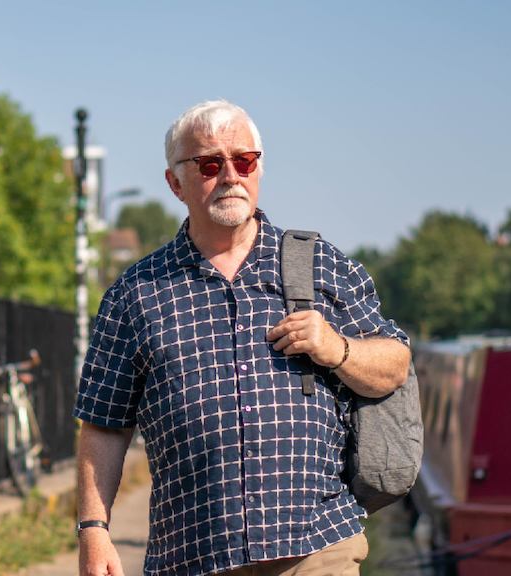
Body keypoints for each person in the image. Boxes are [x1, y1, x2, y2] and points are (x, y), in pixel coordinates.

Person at [74, 100, 410, 576]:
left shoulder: (321, 265)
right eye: (210, 164)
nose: (230, 175)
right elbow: (104, 424)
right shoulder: (136, 294)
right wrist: (93, 529)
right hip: (193, 555)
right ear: (175, 183)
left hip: (317, 547)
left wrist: (338, 349)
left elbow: (395, 365)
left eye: (244, 160)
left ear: (259, 168)